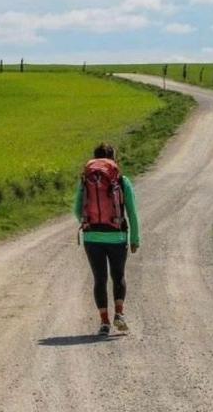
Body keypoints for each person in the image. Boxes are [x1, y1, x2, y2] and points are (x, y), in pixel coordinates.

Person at [74, 143, 140, 336]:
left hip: (91, 237)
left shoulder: (86, 180)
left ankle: (104, 322)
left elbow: (78, 209)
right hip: (117, 236)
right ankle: (119, 314)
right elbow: (132, 213)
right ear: (113, 159)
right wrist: (135, 238)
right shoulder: (121, 180)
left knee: (99, 279)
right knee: (118, 276)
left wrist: (88, 224)